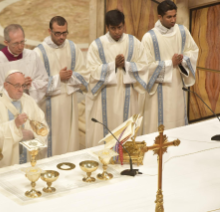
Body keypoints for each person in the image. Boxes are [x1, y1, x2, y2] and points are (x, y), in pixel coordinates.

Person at [85, 9, 148, 148]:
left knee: (126, 133)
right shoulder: (97, 45)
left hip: (128, 96)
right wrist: (113, 65)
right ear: (107, 27)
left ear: (124, 25)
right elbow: (90, 72)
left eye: (119, 27)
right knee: (106, 131)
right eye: (113, 28)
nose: (117, 32)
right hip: (104, 98)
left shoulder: (133, 43)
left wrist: (126, 65)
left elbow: (144, 66)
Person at [34, 16, 89, 157]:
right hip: (49, 106)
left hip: (69, 103)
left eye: (64, 33)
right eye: (57, 33)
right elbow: (35, 85)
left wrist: (71, 77)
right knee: (53, 140)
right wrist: (58, 78)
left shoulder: (72, 47)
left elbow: (84, 74)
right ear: (49, 31)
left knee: (68, 139)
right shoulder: (39, 53)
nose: (61, 37)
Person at [141, 0, 198, 134]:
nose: (173, 20)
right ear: (159, 17)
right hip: (158, 91)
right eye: (169, 17)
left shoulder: (183, 31)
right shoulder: (149, 38)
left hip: (178, 86)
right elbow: (144, 67)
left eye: (175, 16)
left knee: (177, 122)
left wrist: (183, 60)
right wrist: (169, 64)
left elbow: (193, 51)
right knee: (158, 127)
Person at [0, 70, 48, 168]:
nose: (21, 90)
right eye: (17, 85)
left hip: (29, 160)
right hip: (6, 164)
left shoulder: (29, 100)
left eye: (23, 85)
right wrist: (14, 125)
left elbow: (43, 127)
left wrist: (33, 135)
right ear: (6, 85)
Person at [0, 24, 48, 102]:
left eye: (22, 42)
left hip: (30, 106)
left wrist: (30, 86)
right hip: (7, 110)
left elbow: (44, 82)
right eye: (16, 43)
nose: (20, 47)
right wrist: (16, 86)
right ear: (6, 43)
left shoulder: (32, 56)